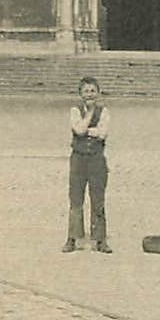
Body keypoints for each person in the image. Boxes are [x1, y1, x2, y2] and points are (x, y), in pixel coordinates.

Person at [63, 76, 111, 253]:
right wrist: (90, 118)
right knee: (76, 198)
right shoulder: (74, 110)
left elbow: (103, 133)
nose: (89, 94)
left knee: (98, 198)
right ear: (80, 94)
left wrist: (90, 130)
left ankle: (100, 239)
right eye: (86, 91)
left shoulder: (105, 111)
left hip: (97, 159)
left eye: (93, 91)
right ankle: (72, 238)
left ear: (98, 93)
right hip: (78, 160)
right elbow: (79, 130)